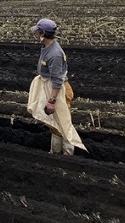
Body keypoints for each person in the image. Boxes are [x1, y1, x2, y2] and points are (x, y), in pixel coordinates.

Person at [27, 18, 85, 155]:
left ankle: (68, 153)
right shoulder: (48, 48)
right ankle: (55, 151)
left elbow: (57, 80)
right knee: (54, 123)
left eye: (37, 31)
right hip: (51, 87)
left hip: (58, 90)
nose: (35, 34)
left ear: (43, 33)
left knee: (63, 122)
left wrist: (52, 101)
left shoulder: (55, 54)